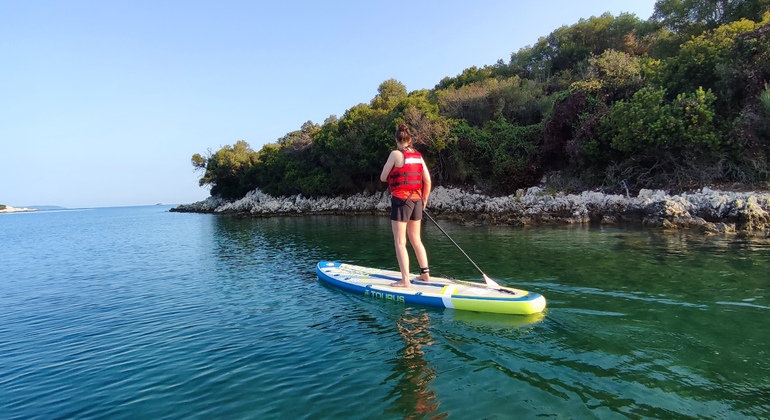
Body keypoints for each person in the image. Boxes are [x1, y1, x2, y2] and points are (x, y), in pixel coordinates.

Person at [380, 123, 432, 287]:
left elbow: (383, 177)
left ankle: (405, 280)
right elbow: (427, 180)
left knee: (400, 242)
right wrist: (425, 200)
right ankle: (425, 274)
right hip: (417, 200)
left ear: (397, 140)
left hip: (401, 201)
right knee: (416, 239)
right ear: (410, 139)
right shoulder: (418, 155)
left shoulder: (395, 154)